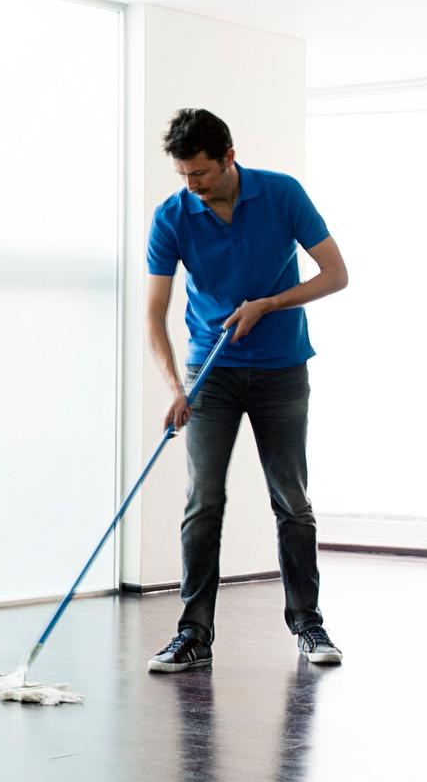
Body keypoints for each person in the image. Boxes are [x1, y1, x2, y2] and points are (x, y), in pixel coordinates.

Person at [143, 107, 350, 672]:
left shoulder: (282, 194)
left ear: (229, 158)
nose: (192, 186)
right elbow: (154, 315)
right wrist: (175, 388)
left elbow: (336, 274)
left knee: (291, 499)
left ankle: (309, 627)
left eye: (201, 174)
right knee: (202, 503)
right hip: (209, 375)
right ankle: (193, 635)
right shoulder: (172, 216)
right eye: (184, 175)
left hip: (281, 369)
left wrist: (270, 304)